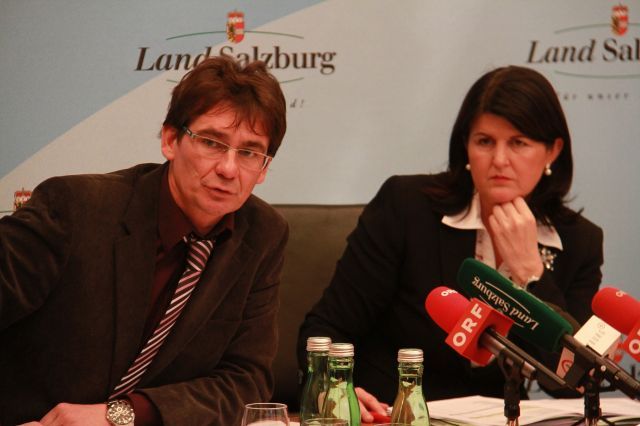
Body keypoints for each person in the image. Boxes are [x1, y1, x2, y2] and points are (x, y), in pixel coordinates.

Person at [297, 65, 603, 422]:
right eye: (484, 141)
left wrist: (531, 275)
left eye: (518, 143)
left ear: (552, 151)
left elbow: (572, 381)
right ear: (466, 146)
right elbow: (325, 329)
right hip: (393, 415)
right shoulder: (406, 208)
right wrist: (336, 389)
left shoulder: (578, 241)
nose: (499, 160)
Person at [0, 55, 287, 425]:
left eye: (248, 152)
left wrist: (120, 416)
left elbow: (246, 382)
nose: (228, 169)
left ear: (264, 168)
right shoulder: (74, 209)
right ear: (170, 140)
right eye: (212, 142)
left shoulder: (263, 234)